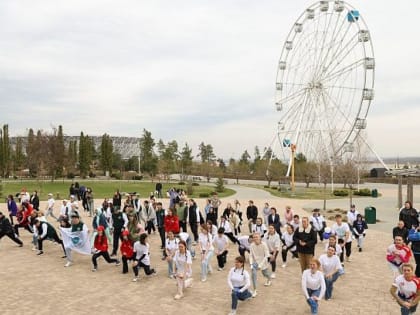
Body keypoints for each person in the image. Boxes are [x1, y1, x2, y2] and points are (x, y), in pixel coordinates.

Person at [249, 233, 272, 297]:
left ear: (260, 238)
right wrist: (251, 264)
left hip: (263, 262)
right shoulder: (251, 245)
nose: (255, 238)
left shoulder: (264, 244)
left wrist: (261, 265)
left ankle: (269, 279)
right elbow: (250, 255)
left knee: (265, 274)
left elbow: (267, 255)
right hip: (255, 262)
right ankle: (255, 290)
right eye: (254, 237)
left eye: (256, 237)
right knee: (253, 275)